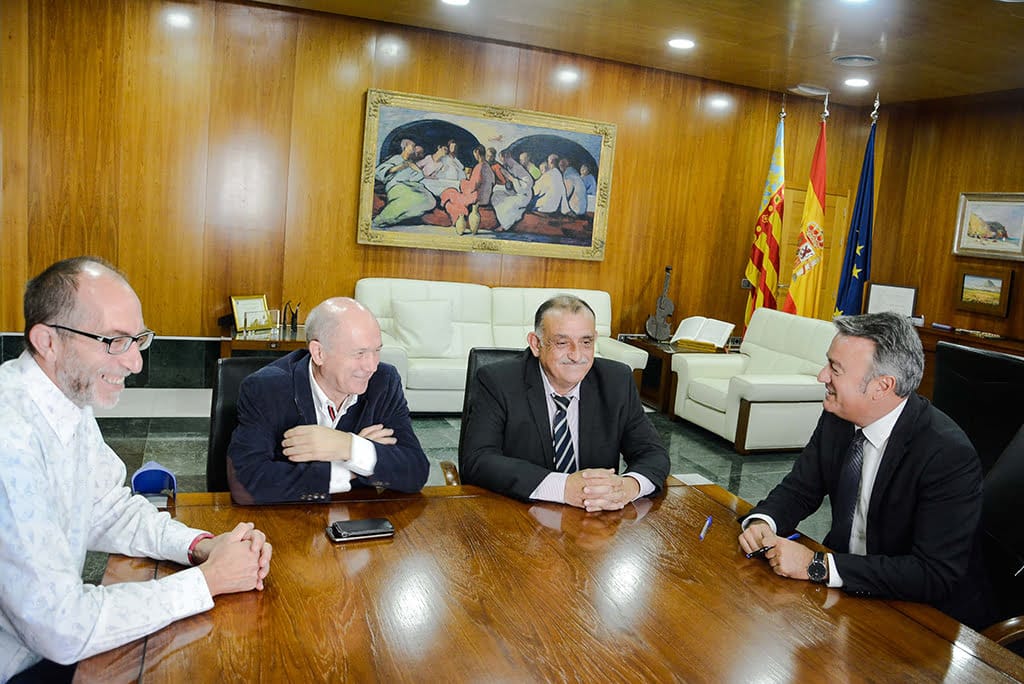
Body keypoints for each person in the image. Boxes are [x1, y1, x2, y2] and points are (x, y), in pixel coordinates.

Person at [0, 257, 272, 683]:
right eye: (114, 341)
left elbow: (108, 509)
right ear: (47, 341)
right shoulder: (10, 438)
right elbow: (62, 628)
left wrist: (199, 546)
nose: (136, 363)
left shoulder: (65, 401)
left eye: (138, 340)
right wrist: (207, 581)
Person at [737, 312, 994, 629]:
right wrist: (764, 522)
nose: (822, 376)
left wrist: (818, 565)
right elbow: (800, 489)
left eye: (835, 368)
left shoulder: (946, 454)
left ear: (881, 387)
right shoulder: (838, 418)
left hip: (920, 617)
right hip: (846, 593)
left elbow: (933, 573)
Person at [460, 295, 669, 510]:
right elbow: (477, 460)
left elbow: (653, 453)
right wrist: (562, 487)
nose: (576, 355)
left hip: (595, 520)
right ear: (536, 344)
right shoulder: (498, 381)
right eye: (562, 343)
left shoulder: (616, 381)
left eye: (586, 342)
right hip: (520, 514)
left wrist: (628, 487)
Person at [227, 297, 429, 505]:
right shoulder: (267, 388)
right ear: (319, 353)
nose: (371, 366)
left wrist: (347, 445)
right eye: (359, 353)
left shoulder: (384, 382)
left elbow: (415, 471)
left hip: (357, 515)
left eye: (376, 351)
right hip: (286, 518)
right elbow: (246, 484)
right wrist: (350, 466)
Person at [372, 138, 436, 228]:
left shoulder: (411, 163)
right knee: (414, 198)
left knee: (430, 201)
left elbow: (417, 177)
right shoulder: (396, 158)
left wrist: (414, 167)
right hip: (397, 186)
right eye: (412, 146)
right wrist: (402, 166)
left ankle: (395, 219)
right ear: (405, 147)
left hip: (411, 186)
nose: (414, 148)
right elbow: (379, 171)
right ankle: (381, 219)